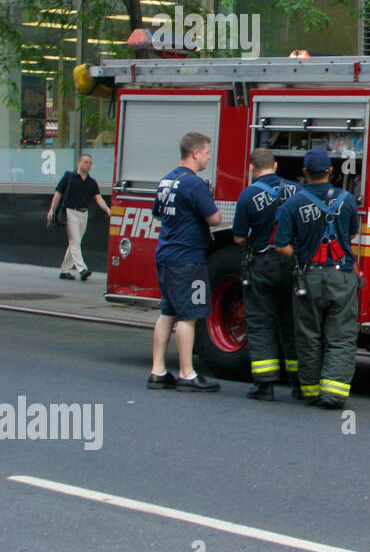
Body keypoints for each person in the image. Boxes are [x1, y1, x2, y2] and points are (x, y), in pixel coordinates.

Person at [275, 148, 359, 410]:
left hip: (308, 278)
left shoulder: (292, 204)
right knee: (341, 336)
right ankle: (333, 392)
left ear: (304, 173)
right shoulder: (347, 200)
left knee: (308, 335)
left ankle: (310, 390)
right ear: (331, 171)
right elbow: (352, 234)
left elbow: (281, 245)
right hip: (342, 276)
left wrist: (301, 259)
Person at [148, 132, 222, 393]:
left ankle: (157, 370)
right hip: (188, 258)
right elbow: (214, 219)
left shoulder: (166, 180)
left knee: (167, 312)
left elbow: (158, 213)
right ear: (195, 153)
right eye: (206, 151)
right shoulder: (194, 184)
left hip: (166, 254)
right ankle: (187, 373)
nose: (209, 156)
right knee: (189, 317)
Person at [232, 148, 298, 401]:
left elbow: (238, 236)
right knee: (291, 322)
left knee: (260, 323)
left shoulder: (248, 195)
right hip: (290, 263)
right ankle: (300, 382)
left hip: (261, 264)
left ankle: (265, 384)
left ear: (251, 168)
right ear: (276, 165)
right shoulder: (296, 190)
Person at [47, 154, 111, 281]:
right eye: (86, 162)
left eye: (90, 163)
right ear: (79, 163)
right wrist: (51, 210)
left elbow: (98, 198)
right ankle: (82, 269)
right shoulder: (69, 177)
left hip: (83, 214)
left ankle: (65, 270)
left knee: (75, 242)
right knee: (75, 241)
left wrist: (107, 209)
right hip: (70, 212)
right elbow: (58, 194)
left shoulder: (92, 182)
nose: (88, 165)